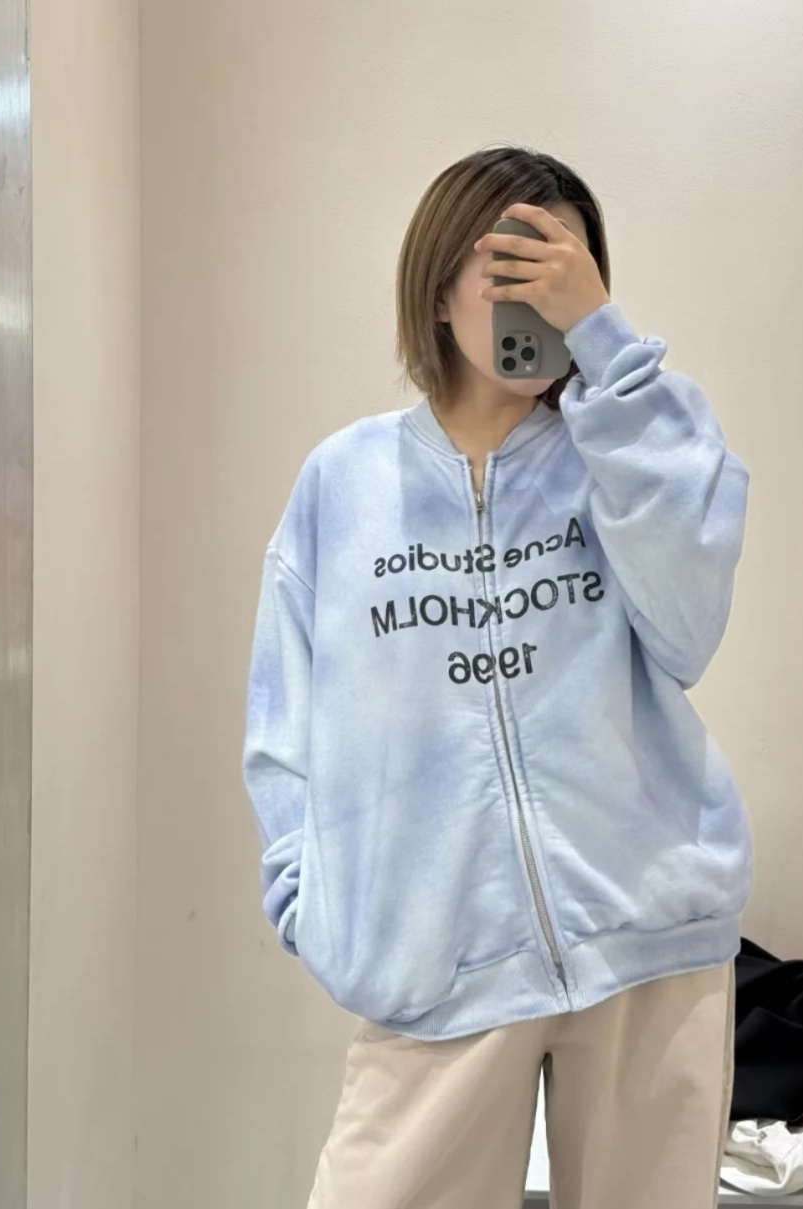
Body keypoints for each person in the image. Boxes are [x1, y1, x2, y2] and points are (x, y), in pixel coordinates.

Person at [242, 144, 753, 1209]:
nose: (539, 299)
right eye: (511, 268)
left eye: (564, 272)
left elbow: (687, 633)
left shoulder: (629, 449)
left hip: (648, 946)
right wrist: (312, 898)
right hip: (435, 959)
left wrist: (605, 347)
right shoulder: (346, 483)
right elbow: (285, 719)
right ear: (439, 291)